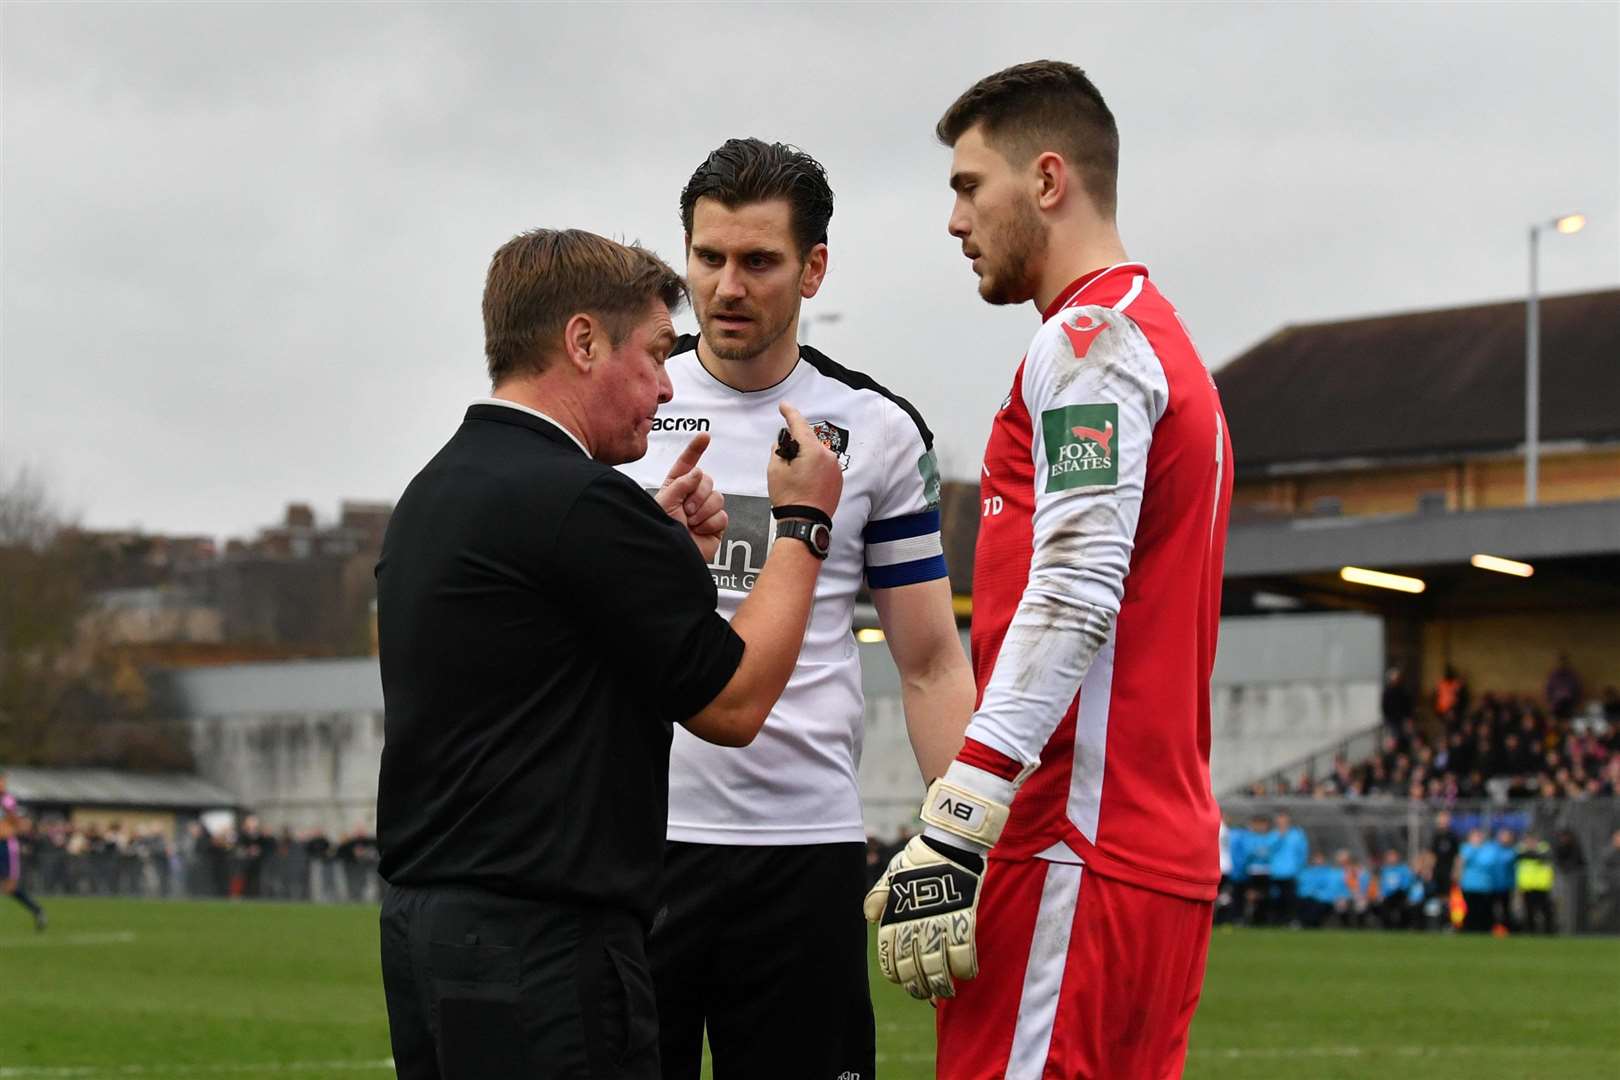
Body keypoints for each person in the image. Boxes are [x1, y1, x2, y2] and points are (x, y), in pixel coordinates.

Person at [374, 228, 843, 1079]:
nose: (668, 387)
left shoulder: (433, 490)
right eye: (657, 353)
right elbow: (732, 704)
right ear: (583, 341)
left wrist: (655, 556)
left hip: (426, 933)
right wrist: (803, 526)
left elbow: (544, 659)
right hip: (544, 945)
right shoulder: (583, 502)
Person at [865, 61, 1233, 1079]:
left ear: (1049, 180)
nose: (954, 220)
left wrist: (960, 813)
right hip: (1137, 853)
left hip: (1080, 844)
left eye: (968, 185)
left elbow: (1075, 587)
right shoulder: (1152, 340)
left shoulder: (1091, 342)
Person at [620, 139, 976, 1080]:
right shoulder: (621, 411)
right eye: (708, 258)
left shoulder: (880, 432)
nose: (727, 286)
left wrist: (958, 832)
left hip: (802, 854)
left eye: (759, 261)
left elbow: (932, 661)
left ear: (814, 267)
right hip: (633, 846)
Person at [0, 773, 47, 931]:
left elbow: (17, 823)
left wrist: (16, 825)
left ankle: (37, 910)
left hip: (6, 846)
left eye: (2, 781)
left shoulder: (7, 800)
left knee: (9, 888)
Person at [1270, 812, 1309, 927]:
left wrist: (1300, 869)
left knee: (1291, 898)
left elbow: (1302, 852)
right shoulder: (1272, 835)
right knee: (1277, 898)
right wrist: (1279, 837)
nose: (1282, 823)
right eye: (1280, 821)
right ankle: (1278, 920)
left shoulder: (1297, 835)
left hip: (1291, 872)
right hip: (1275, 872)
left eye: (1284, 820)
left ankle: (1292, 920)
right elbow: (1268, 850)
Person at [1457, 827, 1495, 933]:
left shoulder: (1488, 849)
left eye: (1478, 836)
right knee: (1470, 909)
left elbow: (1488, 863)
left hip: (1484, 886)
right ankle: (1469, 929)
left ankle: (1483, 929)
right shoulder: (1466, 848)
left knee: (1483, 909)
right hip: (1469, 885)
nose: (1477, 839)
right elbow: (1461, 862)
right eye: (1474, 836)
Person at [1515, 835, 1555, 934]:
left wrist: (1530, 854)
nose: (1530, 842)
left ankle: (1549, 931)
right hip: (1527, 886)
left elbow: (1543, 857)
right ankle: (1530, 931)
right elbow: (1518, 857)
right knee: (1529, 911)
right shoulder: (1520, 850)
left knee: (1546, 910)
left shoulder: (1544, 849)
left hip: (1542, 885)